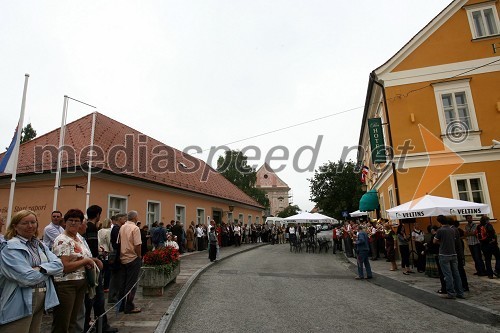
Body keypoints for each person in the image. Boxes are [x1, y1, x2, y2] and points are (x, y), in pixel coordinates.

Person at [0, 210, 63, 331]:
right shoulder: (9, 248)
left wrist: (40, 269)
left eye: (33, 222)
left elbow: (59, 265)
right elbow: (27, 278)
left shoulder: (39, 245)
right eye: (25, 223)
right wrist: (48, 271)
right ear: (15, 226)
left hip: (42, 296)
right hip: (18, 300)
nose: (30, 226)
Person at [51, 209, 101, 332]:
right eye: (70, 220)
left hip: (81, 282)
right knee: (63, 322)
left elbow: (82, 256)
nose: (73, 223)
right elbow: (65, 266)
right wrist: (86, 261)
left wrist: (93, 260)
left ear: (81, 223)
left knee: (73, 320)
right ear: (65, 223)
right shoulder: (62, 240)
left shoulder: (78, 237)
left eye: (77, 221)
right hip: (66, 284)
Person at [434, 215, 464, 299]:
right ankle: (460, 292)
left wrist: (442, 242)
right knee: (456, 274)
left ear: (439, 222)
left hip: (444, 254)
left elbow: (434, 241)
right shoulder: (452, 230)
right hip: (453, 254)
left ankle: (451, 293)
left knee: (448, 274)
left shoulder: (440, 230)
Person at [118, 210, 142, 314]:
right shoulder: (135, 228)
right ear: (135, 218)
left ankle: (121, 306)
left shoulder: (122, 227)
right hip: (132, 257)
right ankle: (129, 306)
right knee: (132, 284)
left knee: (123, 283)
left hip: (123, 257)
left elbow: (118, 242)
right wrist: (139, 256)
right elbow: (137, 245)